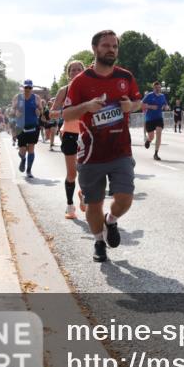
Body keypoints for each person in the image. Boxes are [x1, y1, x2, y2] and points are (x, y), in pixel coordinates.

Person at [63, 30, 142, 263]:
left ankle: (112, 220)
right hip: (90, 154)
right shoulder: (81, 81)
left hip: (120, 150)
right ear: (95, 49)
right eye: (106, 45)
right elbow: (66, 113)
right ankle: (98, 241)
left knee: (125, 197)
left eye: (115, 46)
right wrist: (86, 106)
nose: (111, 50)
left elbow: (137, 102)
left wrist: (131, 107)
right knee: (93, 204)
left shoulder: (125, 77)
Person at [51, 60, 86, 218]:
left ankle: (83, 194)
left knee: (87, 171)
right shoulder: (63, 91)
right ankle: (70, 205)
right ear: (68, 74)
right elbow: (52, 113)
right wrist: (66, 112)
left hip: (87, 134)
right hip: (70, 134)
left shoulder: (88, 89)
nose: (76, 71)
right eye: (72, 70)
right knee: (72, 174)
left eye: (79, 69)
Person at [12, 81, 43, 178]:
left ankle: (29, 170)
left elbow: (41, 110)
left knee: (31, 148)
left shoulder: (36, 98)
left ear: (32, 88)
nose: (28, 90)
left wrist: (39, 112)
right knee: (22, 150)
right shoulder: (17, 97)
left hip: (33, 126)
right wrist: (16, 112)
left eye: (29, 88)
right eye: (26, 87)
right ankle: (23, 159)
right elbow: (12, 110)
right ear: (23, 88)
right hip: (20, 127)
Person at [142, 80, 168, 161]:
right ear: (153, 88)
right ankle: (148, 141)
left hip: (159, 118)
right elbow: (141, 104)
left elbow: (165, 104)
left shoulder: (162, 96)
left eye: (159, 87)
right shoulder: (149, 95)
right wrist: (150, 106)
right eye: (156, 88)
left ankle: (156, 153)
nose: (158, 89)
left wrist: (166, 107)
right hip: (149, 119)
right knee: (151, 136)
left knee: (159, 133)